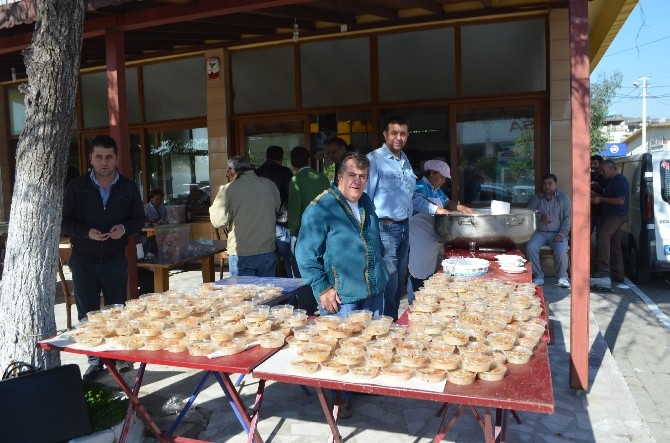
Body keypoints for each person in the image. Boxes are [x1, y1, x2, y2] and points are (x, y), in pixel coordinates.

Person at [296, 152, 388, 418]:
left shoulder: (367, 201)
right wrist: (321, 287)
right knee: (341, 348)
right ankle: (339, 398)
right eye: (352, 175)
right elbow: (305, 253)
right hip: (343, 294)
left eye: (363, 177)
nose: (357, 182)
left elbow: (374, 239)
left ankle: (361, 384)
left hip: (372, 288)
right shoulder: (320, 207)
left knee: (369, 342)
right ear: (339, 177)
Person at [61, 135, 145, 381]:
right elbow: (66, 221)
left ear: (116, 158)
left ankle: (118, 357)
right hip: (84, 260)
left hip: (114, 259)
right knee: (87, 313)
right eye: (98, 157)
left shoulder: (128, 187)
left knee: (117, 309)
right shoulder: (77, 187)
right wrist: (85, 232)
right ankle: (95, 360)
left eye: (109, 157)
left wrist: (124, 228)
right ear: (91, 158)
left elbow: (138, 219)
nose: (104, 162)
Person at [366, 115, 433, 321]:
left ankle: (391, 323)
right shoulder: (374, 160)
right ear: (385, 135)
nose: (398, 137)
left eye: (403, 133)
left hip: (404, 227)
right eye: (394, 133)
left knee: (398, 282)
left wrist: (437, 210)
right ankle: (384, 326)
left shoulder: (404, 161)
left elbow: (410, 196)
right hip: (384, 228)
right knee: (389, 281)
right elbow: (365, 198)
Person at [408, 160, 473, 301]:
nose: (443, 181)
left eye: (445, 178)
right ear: (432, 173)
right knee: (417, 273)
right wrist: (438, 210)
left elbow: (447, 202)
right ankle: (414, 302)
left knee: (428, 275)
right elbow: (417, 201)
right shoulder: (419, 187)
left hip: (429, 238)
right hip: (418, 236)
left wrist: (462, 208)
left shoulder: (436, 190)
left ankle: (425, 300)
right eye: (442, 177)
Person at [210, 156, 280, 277]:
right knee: (270, 294)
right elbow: (277, 209)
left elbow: (218, 222)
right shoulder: (270, 185)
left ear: (232, 171)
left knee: (243, 294)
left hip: (241, 252)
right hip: (267, 250)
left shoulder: (229, 190)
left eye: (227, 172)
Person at [525, 173, 572, 288]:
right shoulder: (536, 198)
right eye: (545, 184)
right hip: (539, 233)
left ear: (556, 184)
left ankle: (562, 277)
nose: (547, 186)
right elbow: (528, 214)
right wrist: (540, 217)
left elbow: (568, 218)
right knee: (530, 247)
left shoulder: (563, 198)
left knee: (561, 249)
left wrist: (562, 233)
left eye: (550, 184)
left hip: (557, 233)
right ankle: (538, 276)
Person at [255, 145, 294, 277]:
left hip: (262, 222)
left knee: (267, 260)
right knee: (289, 260)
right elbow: (289, 196)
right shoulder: (285, 172)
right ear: (281, 157)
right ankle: (294, 294)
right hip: (281, 220)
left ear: (267, 156)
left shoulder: (257, 172)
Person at [591, 159, 629, 285]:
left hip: (617, 215)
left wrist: (600, 199)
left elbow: (620, 201)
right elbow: (609, 195)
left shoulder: (620, 180)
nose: (601, 172)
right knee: (615, 244)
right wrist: (597, 192)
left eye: (603, 170)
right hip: (611, 215)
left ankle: (603, 270)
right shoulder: (610, 181)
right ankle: (618, 274)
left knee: (603, 235)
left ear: (612, 168)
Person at [287, 146, 330, 241]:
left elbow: (294, 208)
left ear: (292, 162)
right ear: (309, 160)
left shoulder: (296, 180)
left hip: (306, 229)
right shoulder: (323, 177)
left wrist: (293, 230)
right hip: (324, 226)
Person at [590, 155, 607, 236]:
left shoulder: (605, 176)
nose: (592, 166)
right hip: (590, 210)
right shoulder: (590, 175)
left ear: (601, 164)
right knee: (586, 234)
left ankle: (599, 249)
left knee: (600, 235)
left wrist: (598, 187)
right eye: (591, 164)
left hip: (601, 211)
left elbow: (608, 193)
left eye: (595, 164)